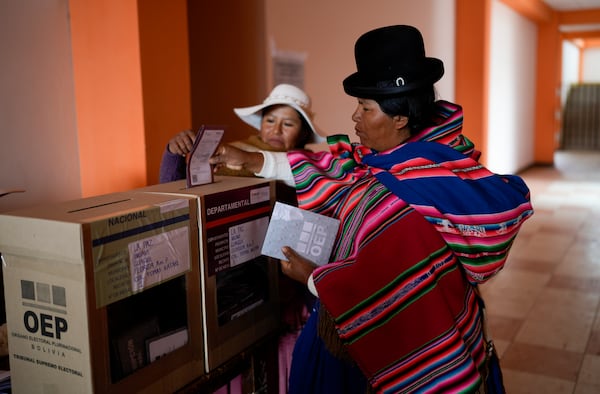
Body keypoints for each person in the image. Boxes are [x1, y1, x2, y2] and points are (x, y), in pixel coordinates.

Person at [212, 25, 534, 393]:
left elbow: (386, 286)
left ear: (399, 118)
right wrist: (251, 159)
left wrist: (313, 278)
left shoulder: (411, 194)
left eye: (365, 108)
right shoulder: (395, 161)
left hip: (387, 355)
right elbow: (335, 166)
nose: (354, 118)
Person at [158, 83, 322, 185]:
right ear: (261, 124)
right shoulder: (231, 151)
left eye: (287, 124)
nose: (276, 130)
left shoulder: (310, 166)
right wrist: (174, 153)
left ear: (303, 133)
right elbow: (175, 190)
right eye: (270, 121)